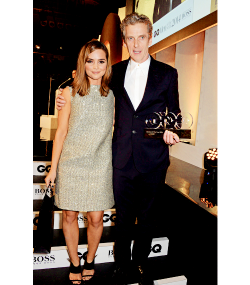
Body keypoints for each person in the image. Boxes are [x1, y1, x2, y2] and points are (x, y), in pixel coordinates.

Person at [56, 13, 180, 285]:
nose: (136, 44)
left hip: (154, 159)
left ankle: (141, 264)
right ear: (124, 40)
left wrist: (173, 130)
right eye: (130, 38)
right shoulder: (116, 71)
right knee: (123, 219)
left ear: (150, 37)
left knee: (146, 218)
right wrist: (61, 94)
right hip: (120, 158)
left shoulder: (168, 74)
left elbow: (176, 114)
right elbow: (87, 83)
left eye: (141, 37)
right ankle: (122, 265)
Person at [45, 40, 115, 285]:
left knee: (96, 218)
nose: (95, 67)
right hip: (72, 163)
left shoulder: (112, 95)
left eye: (101, 61)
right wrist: (53, 168)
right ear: (82, 63)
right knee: (69, 216)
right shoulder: (69, 93)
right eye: (90, 61)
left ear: (107, 65)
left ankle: (90, 259)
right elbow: (61, 132)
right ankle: (74, 261)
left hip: (100, 164)